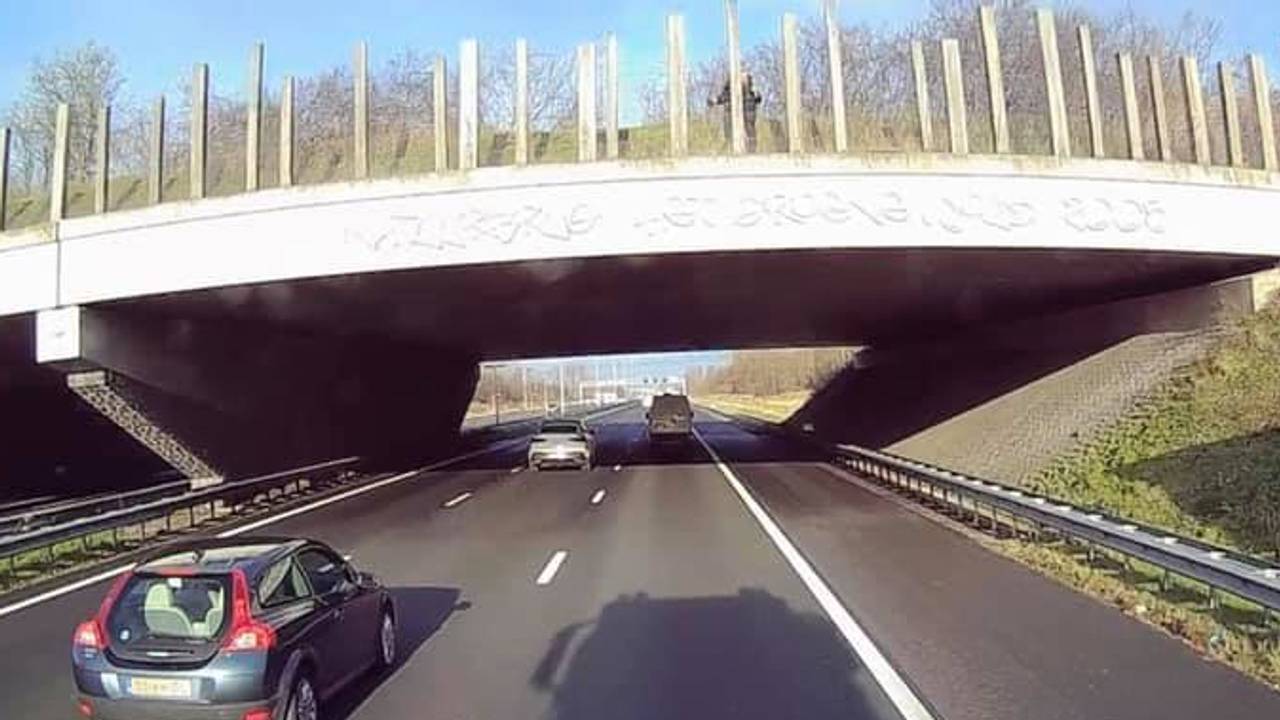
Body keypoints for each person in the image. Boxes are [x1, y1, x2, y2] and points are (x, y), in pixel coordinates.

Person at [709, 73, 763, 152]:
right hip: (735, 119)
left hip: (748, 117)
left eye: (744, 79)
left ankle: (751, 151)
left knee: (750, 134)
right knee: (732, 135)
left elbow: (758, 98)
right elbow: (723, 97)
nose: (742, 80)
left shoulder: (751, 92)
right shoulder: (732, 92)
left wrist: (756, 93)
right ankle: (733, 150)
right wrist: (714, 100)